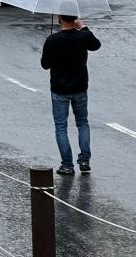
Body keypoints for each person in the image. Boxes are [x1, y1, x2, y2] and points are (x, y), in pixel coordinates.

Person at [41, 15, 101, 175]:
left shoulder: (53, 39)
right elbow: (96, 45)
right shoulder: (83, 36)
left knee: (61, 126)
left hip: (59, 89)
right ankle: (84, 160)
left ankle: (67, 165)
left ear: (60, 19)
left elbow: (45, 65)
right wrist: (83, 27)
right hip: (80, 87)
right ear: (75, 19)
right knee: (82, 123)